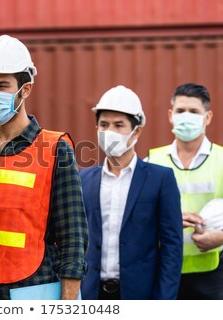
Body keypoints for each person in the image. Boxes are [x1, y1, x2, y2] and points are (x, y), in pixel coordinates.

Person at [0, 35, 88, 300]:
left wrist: (70, 304)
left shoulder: (56, 148)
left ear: (26, 90)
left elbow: (73, 237)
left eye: (2, 85)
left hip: (30, 289)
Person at [80, 85, 183, 299]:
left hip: (140, 295)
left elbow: (172, 247)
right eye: (104, 125)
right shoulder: (83, 179)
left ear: (136, 131)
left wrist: (163, 302)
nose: (110, 132)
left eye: (119, 125)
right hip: (91, 294)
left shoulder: (160, 179)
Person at [147, 83, 223, 299]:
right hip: (163, 271)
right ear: (170, 115)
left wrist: (220, 237)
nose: (186, 116)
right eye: (181, 111)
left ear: (207, 117)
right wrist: (170, 219)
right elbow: (136, 216)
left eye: (194, 111)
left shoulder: (222, 159)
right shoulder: (153, 160)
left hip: (213, 273)